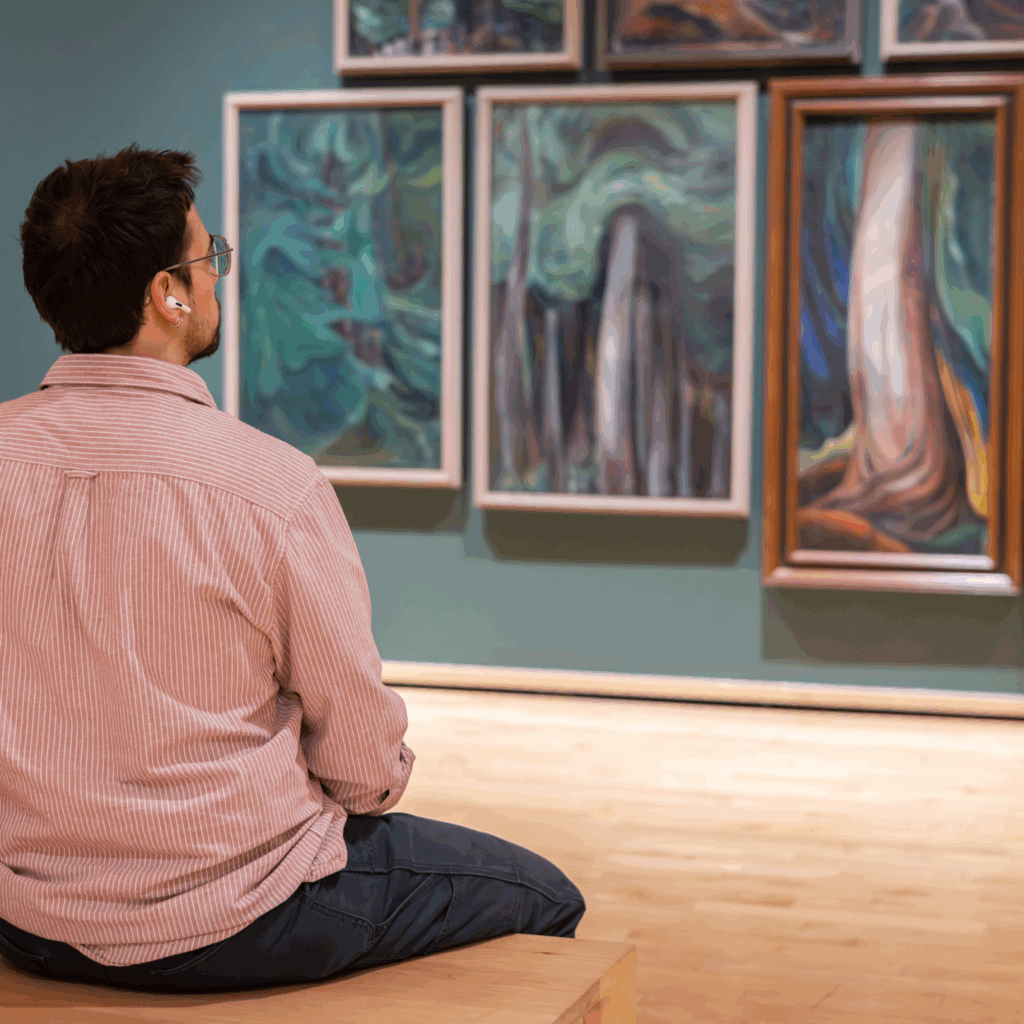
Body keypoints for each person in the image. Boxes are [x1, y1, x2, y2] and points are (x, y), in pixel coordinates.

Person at [0, 144, 584, 992]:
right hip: (236, 916)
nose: (218, 278)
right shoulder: (269, 487)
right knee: (545, 896)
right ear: (168, 294)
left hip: (29, 917)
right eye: (212, 260)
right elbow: (362, 768)